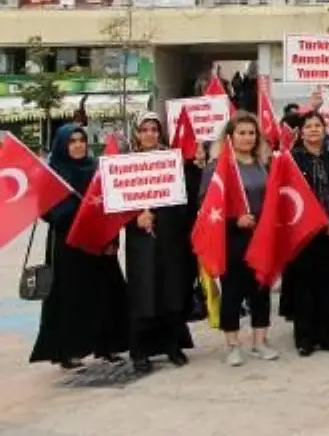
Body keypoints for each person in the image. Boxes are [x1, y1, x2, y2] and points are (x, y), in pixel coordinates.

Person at [29, 125, 129, 369]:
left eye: (81, 140)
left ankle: (108, 345)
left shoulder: (96, 169)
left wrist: (111, 238)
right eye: (71, 141)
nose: (77, 145)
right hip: (68, 245)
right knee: (71, 296)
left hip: (98, 241)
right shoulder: (53, 174)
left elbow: (111, 204)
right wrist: (74, 213)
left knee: (105, 292)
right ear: (62, 145)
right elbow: (45, 210)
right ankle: (69, 350)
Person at [203, 112, 278, 366]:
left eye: (251, 133)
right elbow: (207, 206)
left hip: (261, 237)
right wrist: (235, 220)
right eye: (242, 133)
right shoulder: (217, 167)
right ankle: (233, 345)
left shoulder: (263, 165)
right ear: (230, 137)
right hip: (232, 239)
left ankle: (259, 341)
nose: (247, 138)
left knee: (261, 290)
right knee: (233, 292)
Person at [124, 112, 195, 373]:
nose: (150, 134)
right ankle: (140, 351)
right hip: (140, 241)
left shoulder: (173, 161)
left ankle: (172, 346)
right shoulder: (125, 163)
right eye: (144, 130)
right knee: (144, 292)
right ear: (137, 133)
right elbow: (116, 202)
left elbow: (185, 198)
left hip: (170, 237)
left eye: (154, 129)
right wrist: (135, 216)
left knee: (171, 290)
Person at [285, 110, 329, 356]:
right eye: (308, 126)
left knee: (326, 284)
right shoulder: (292, 159)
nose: (313, 130)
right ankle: (305, 338)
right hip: (302, 231)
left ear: (324, 129)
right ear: (301, 132)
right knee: (303, 285)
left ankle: (327, 334)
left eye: (317, 125)